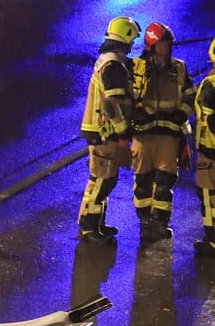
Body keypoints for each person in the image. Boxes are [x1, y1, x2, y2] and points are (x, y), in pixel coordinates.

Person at [79, 16, 140, 240]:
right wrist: (123, 132)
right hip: (104, 131)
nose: (133, 44)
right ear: (124, 37)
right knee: (102, 179)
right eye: (132, 39)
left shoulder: (110, 60)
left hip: (100, 130)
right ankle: (89, 226)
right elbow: (112, 104)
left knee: (105, 178)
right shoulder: (113, 65)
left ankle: (96, 224)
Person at [131, 21, 191, 236]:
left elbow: (189, 95)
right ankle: (144, 219)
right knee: (143, 181)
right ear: (151, 45)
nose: (166, 47)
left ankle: (160, 222)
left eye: (168, 43)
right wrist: (134, 114)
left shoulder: (179, 68)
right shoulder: (136, 67)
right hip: (143, 134)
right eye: (162, 44)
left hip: (169, 134)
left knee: (166, 181)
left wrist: (181, 114)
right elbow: (125, 97)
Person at [197, 38, 215, 257]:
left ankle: (212, 242)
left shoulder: (210, 85)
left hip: (210, 150)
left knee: (208, 196)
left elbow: (210, 121)